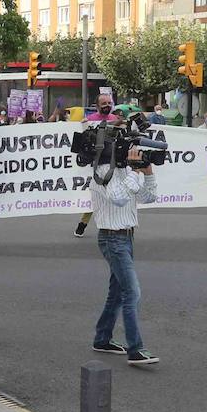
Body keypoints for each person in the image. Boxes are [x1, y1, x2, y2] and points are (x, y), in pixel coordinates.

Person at [89, 138, 160, 367]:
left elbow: (148, 197)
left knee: (118, 293)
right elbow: (118, 198)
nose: (133, 153)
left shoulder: (127, 172)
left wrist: (146, 172)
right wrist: (133, 171)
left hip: (127, 237)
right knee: (132, 292)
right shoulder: (102, 171)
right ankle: (136, 349)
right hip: (112, 237)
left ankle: (102, 338)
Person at [74, 94, 120, 238]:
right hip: (95, 165)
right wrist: (83, 125)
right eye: (104, 103)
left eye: (109, 102)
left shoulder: (115, 120)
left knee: (114, 195)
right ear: (97, 105)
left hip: (113, 163)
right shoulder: (90, 120)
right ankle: (83, 223)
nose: (107, 105)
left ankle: (112, 224)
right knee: (94, 196)